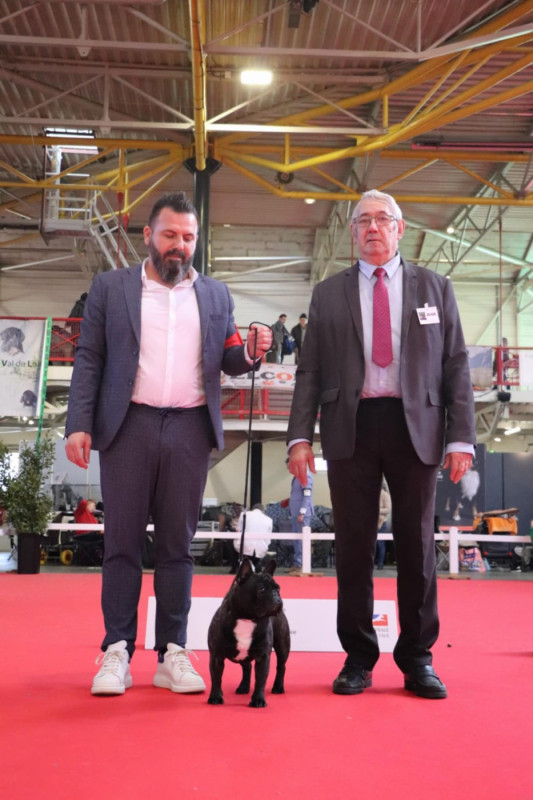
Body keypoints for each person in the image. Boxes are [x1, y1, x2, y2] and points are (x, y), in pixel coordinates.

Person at [65, 191, 272, 697]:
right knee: (122, 544)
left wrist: (250, 351)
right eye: (170, 235)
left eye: (188, 237)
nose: (180, 245)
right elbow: (89, 358)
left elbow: (229, 357)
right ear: (148, 236)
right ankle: (117, 650)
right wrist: (78, 423)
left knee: (179, 548)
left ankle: (172, 651)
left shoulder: (217, 295)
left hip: (188, 428)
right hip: (127, 425)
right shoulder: (111, 288)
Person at [287, 189, 476, 700]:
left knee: (417, 546)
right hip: (350, 425)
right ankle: (358, 657)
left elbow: (456, 364)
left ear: (400, 228)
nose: (373, 227)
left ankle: (417, 658)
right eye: (363, 221)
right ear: (352, 233)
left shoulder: (435, 288)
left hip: (418, 426)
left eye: (382, 219)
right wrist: (300, 438)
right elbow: (309, 371)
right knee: (353, 547)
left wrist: (461, 436)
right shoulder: (328, 294)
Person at [287, 462, 314, 576]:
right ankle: (298, 563)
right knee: (297, 540)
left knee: (302, 540)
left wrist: (302, 512)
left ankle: (302, 564)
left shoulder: (305, 476)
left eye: (289, 466)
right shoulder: (297, 476)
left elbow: (307, 496)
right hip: (295, 513)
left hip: (302, 514)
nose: (289, 469)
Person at [232, 503, 273, 572]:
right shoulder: (269, 520)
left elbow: (238, 530)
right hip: (260, 548)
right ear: (263, 511)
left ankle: (235, 567)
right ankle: (256, 565)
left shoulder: (244, 515)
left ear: (252, 509)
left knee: (233, 541)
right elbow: (268, 539)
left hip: (245, 546)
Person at [375, 483, 391, 569]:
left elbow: (388, 509)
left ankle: (380, 563)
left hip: (381, 522)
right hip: (372, 522)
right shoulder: (372, 494)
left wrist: (376, 509)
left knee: (380, 543)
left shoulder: (385, 495)